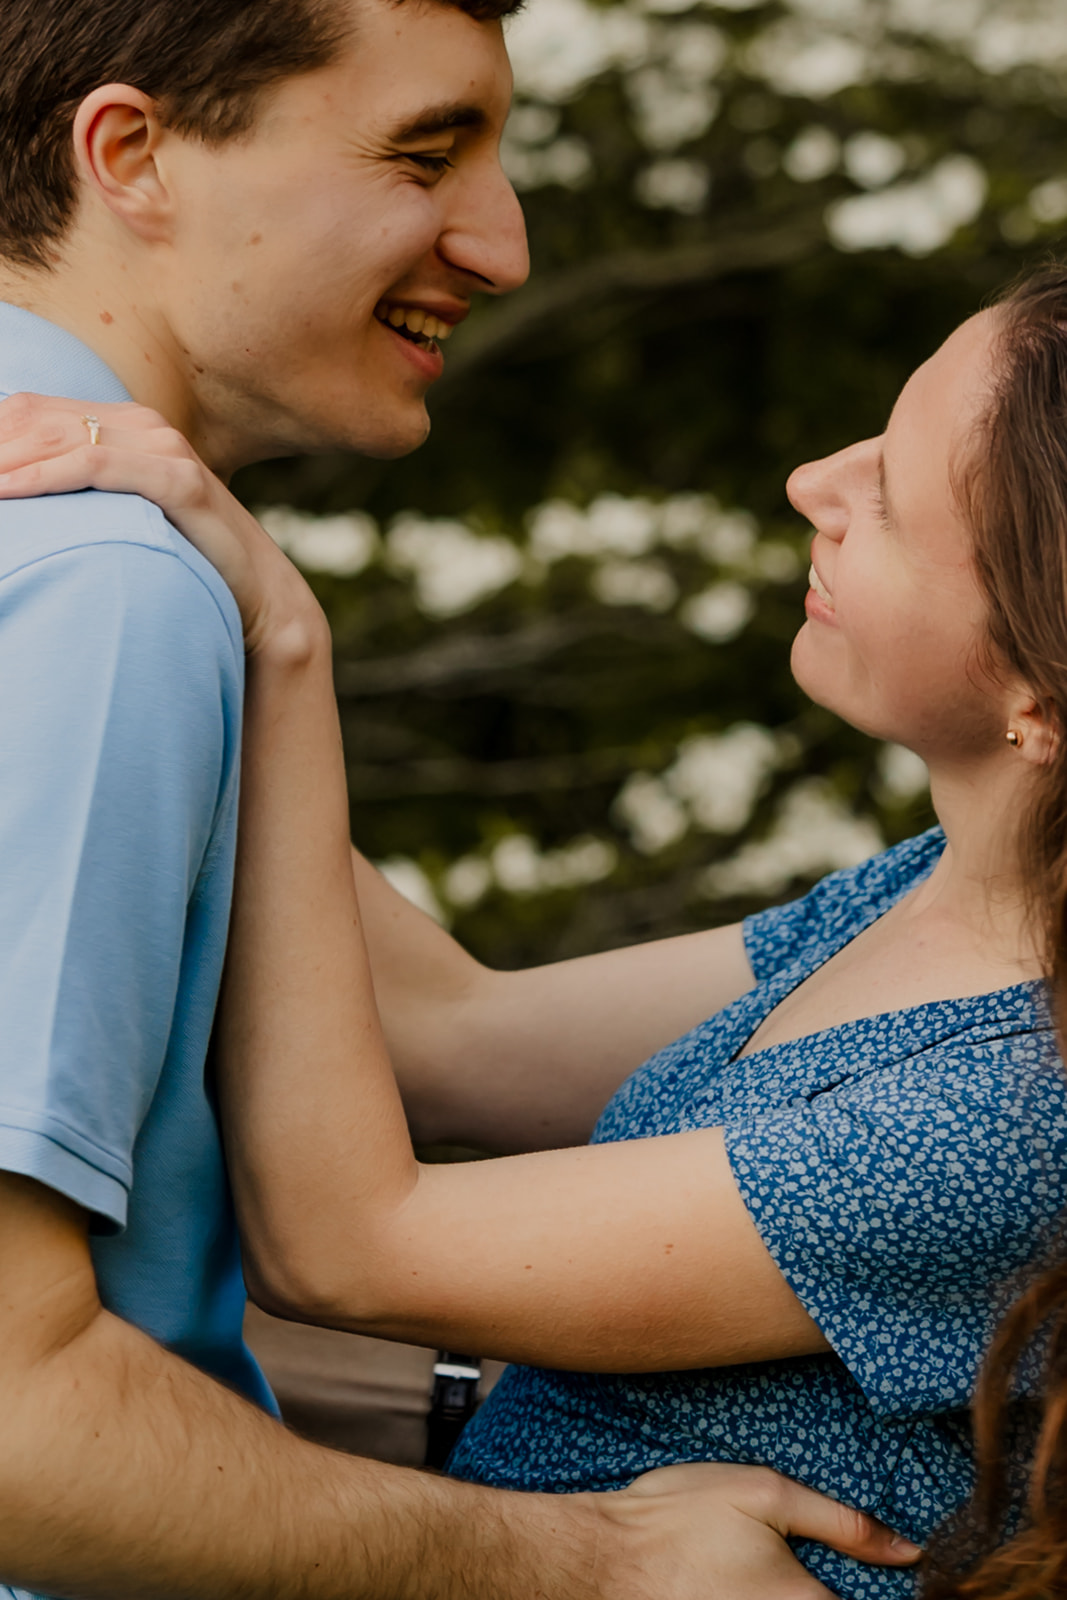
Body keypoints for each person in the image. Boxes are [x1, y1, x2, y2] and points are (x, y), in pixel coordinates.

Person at [0, 0, 920, 1596]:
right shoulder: (104, 586)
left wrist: (278, 640)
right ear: (131, 155)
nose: (499, 246)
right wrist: (586, 1562)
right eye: (426, 156)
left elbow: (436, 1037)